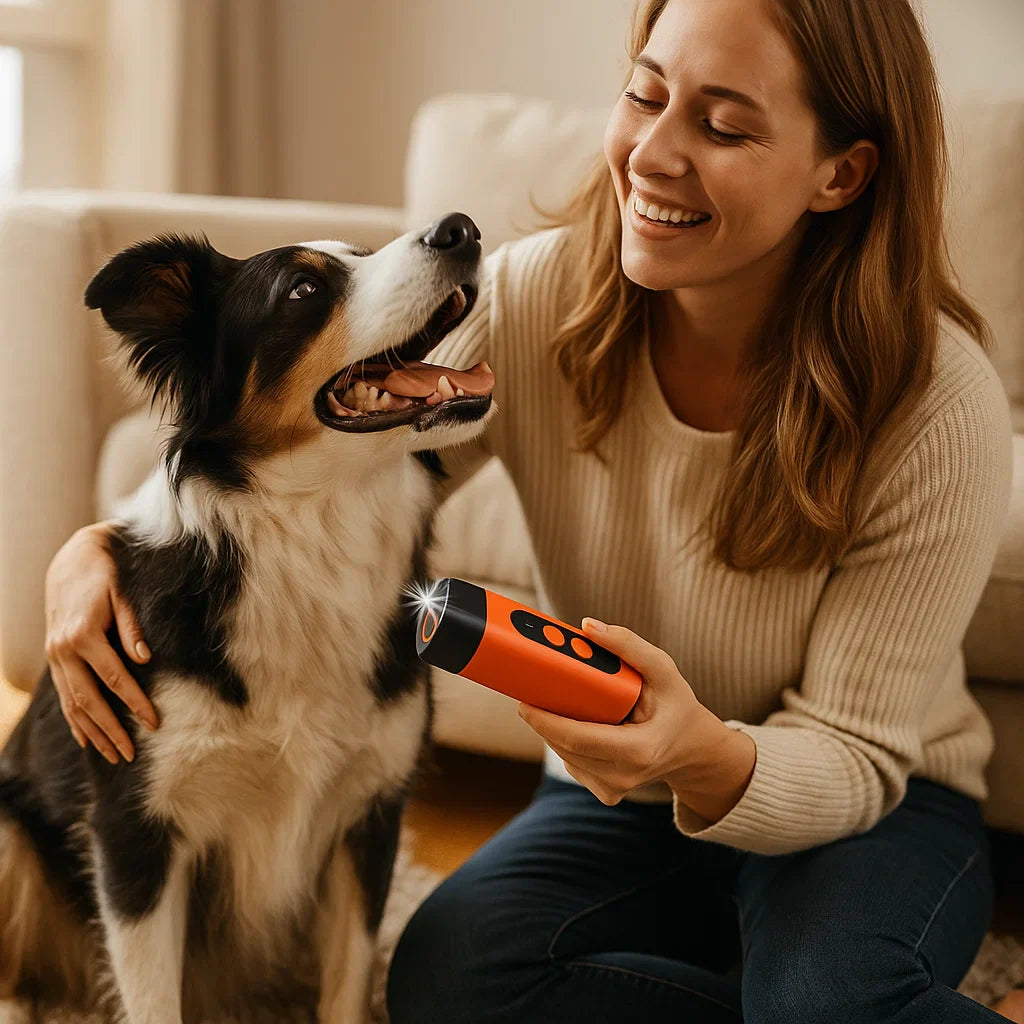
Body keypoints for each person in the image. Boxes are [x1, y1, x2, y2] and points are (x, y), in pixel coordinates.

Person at [42, 0, 1022, 1020]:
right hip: (627, 794)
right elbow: (314, 456)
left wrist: (697, 750)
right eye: (644, 95)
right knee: (448, 984)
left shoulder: (935, 400)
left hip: (865, 810)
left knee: (823, 1003)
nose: (653, 155)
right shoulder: (537, 300)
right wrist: (96, 547)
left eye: (725, 126)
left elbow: (857, 755)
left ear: (841, 174)